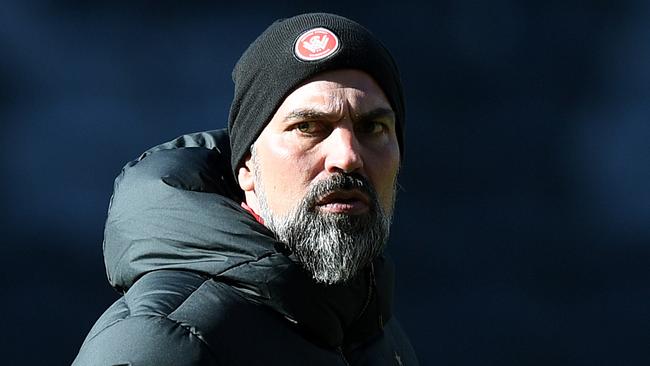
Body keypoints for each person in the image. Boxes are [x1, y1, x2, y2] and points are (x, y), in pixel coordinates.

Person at [73, 12, 418, 365]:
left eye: (373, 127)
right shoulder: (161, 344)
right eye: (308, 126)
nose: (347, 157)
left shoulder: (372, 332)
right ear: (247, 168)